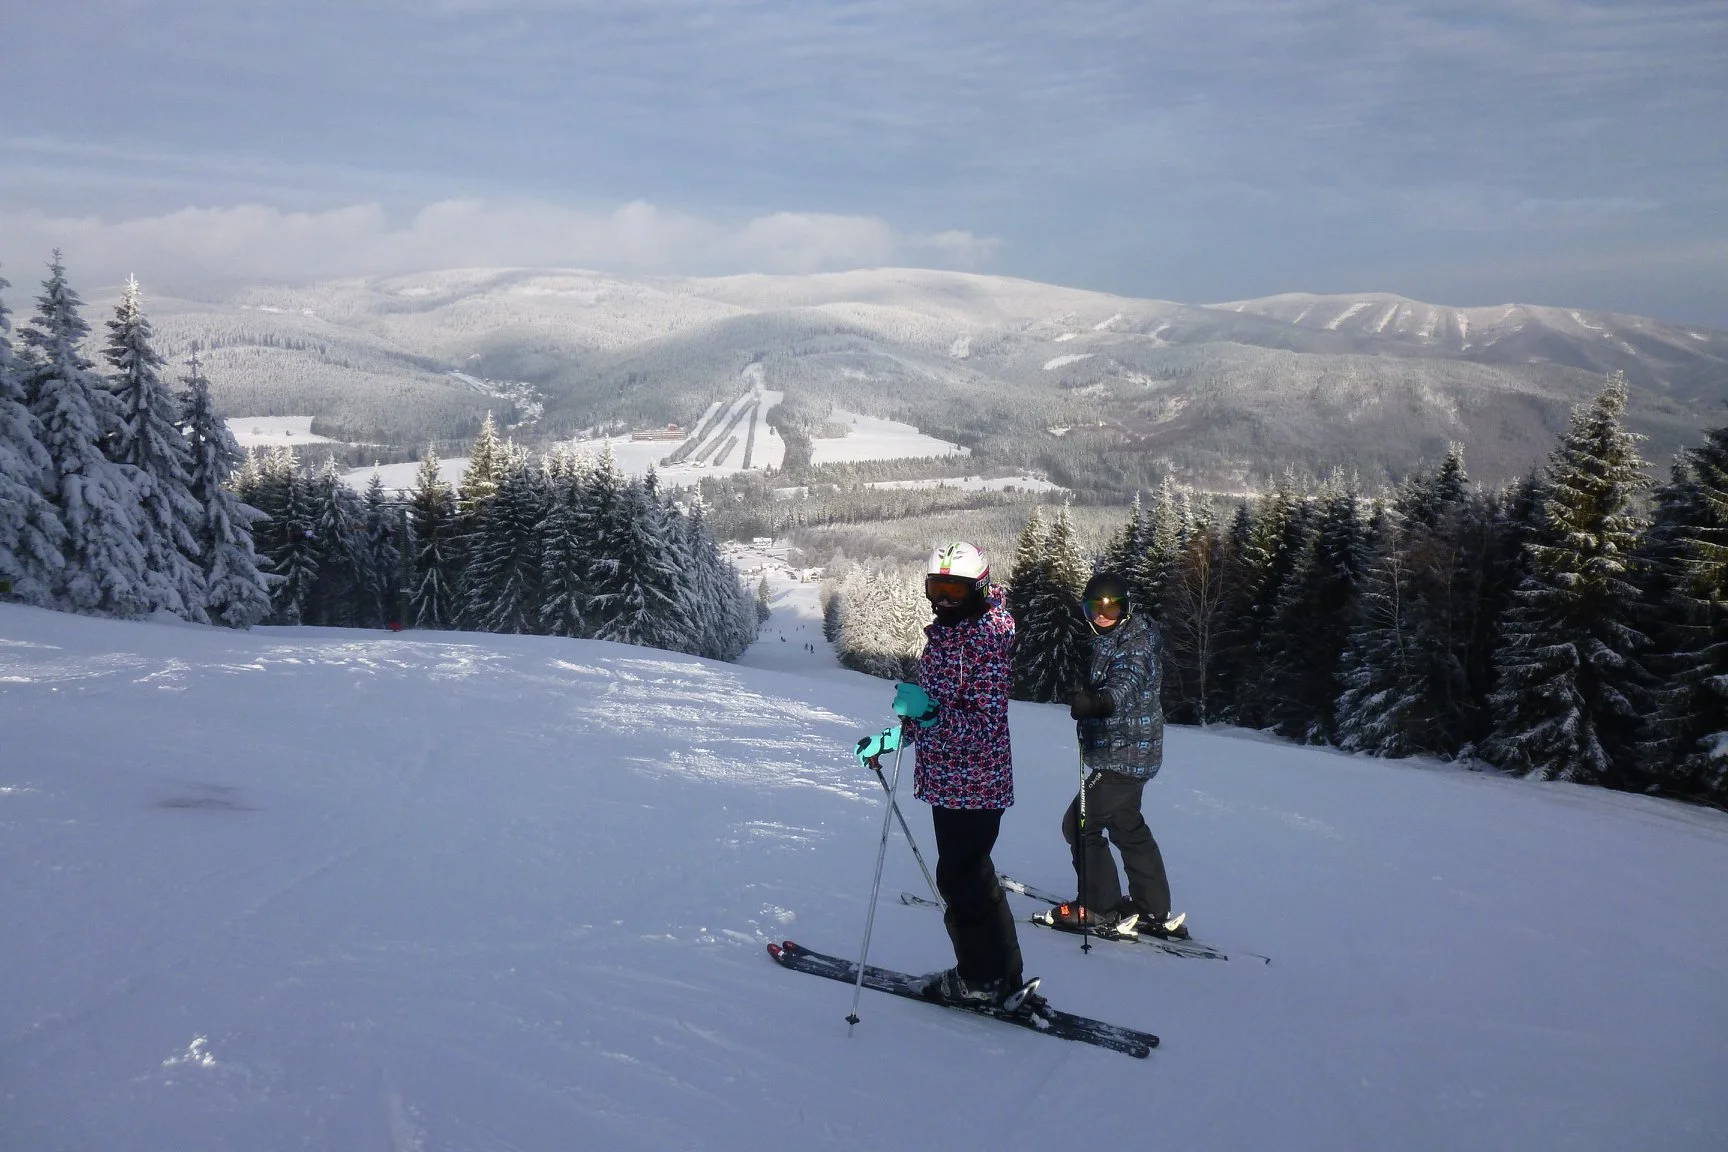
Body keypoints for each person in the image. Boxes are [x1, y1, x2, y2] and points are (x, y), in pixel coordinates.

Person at [854, 541, 1030, 1007]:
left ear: (981, 588)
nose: (944, 600)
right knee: (970, 876)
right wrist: (893, 740)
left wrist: (930, 714)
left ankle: (981, 977)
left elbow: (985, 727)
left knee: (959, 878)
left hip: (975, 782)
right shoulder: (949, 636)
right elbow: (932, 714)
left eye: (956, 589)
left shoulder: (984, 642)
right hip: (949, 780)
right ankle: (998, 972)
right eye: (937, 587)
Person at [1046, 571, 1188, 939]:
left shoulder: (1135, 644)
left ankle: (1098, 908)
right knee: (1126, 824)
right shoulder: (1120, 635)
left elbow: (1124, 682)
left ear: (1126, 609)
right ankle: (1151, 907)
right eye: (1096, 608)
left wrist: (1097, 701)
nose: (1103, 615)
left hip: (1123, 756)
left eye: (1112, 608)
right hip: (1134, 752)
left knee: (1079, 823)